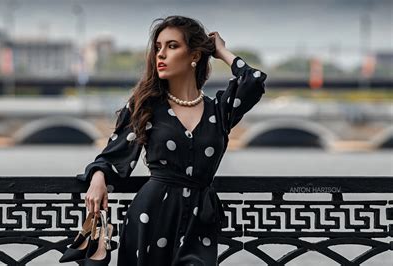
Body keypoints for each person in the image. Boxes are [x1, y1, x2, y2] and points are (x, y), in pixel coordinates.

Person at [76, 15, 267, 266]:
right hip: (150, 217)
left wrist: (220, 51)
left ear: (194, 55)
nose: (161, 55)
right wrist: (98, 178)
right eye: (158, 48)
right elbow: (113, 155)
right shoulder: (145, 106)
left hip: (199, 223)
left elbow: (252, 81)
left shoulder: (219, 111)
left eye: (172, 46)